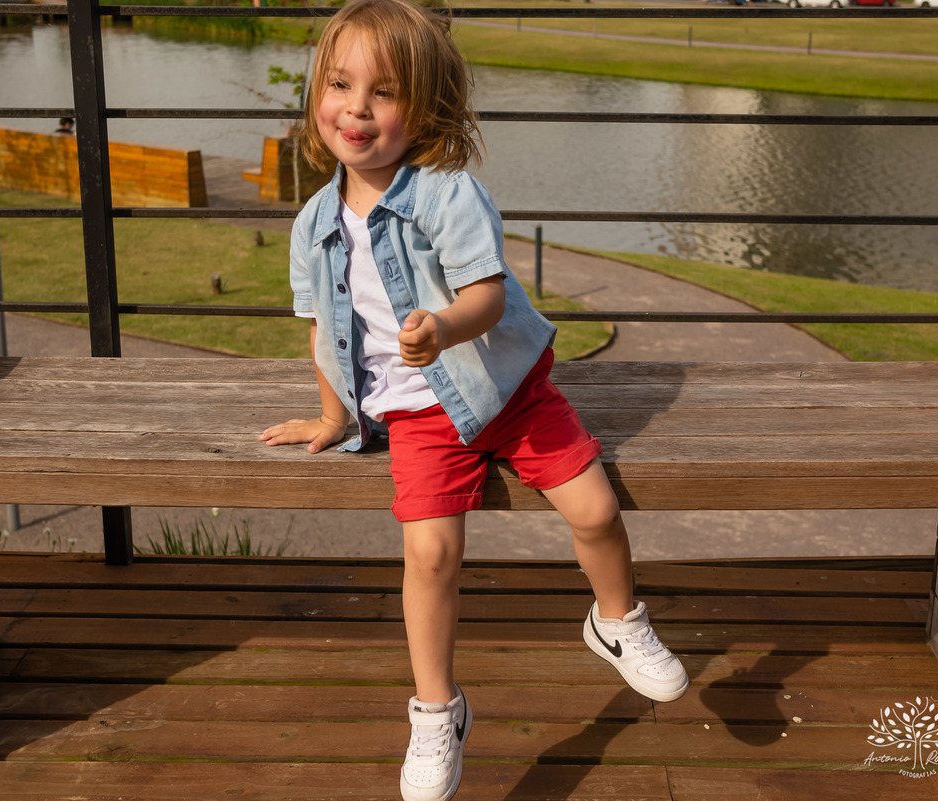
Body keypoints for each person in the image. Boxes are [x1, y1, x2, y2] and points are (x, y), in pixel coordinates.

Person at [259, 1, 687, 798]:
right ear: (318, 90)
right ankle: (435, 709)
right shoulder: (313, 221)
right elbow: (320, 325)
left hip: (506, 391)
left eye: (382, 94)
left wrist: (443, 328)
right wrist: (330, 416)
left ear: (422, 110)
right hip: (419, 417)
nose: (355, 109)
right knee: (430, 554)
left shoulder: (447, 191)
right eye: (340, 84)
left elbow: (487, 296)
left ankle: (617, 620)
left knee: (594, 509)